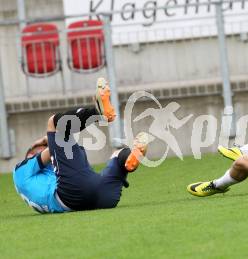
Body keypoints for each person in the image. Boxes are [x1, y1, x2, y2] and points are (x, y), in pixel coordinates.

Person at [13, 78, 148, 213]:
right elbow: (51, 152)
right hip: (76, 194)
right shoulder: (19, 172)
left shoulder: (48, 175)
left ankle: (130, 156)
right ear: (30, 156)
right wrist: (48, 140)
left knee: (118, 155)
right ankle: (98, 114)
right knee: (54, 123)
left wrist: (51, 142)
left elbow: (62, 152)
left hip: (100, 195)